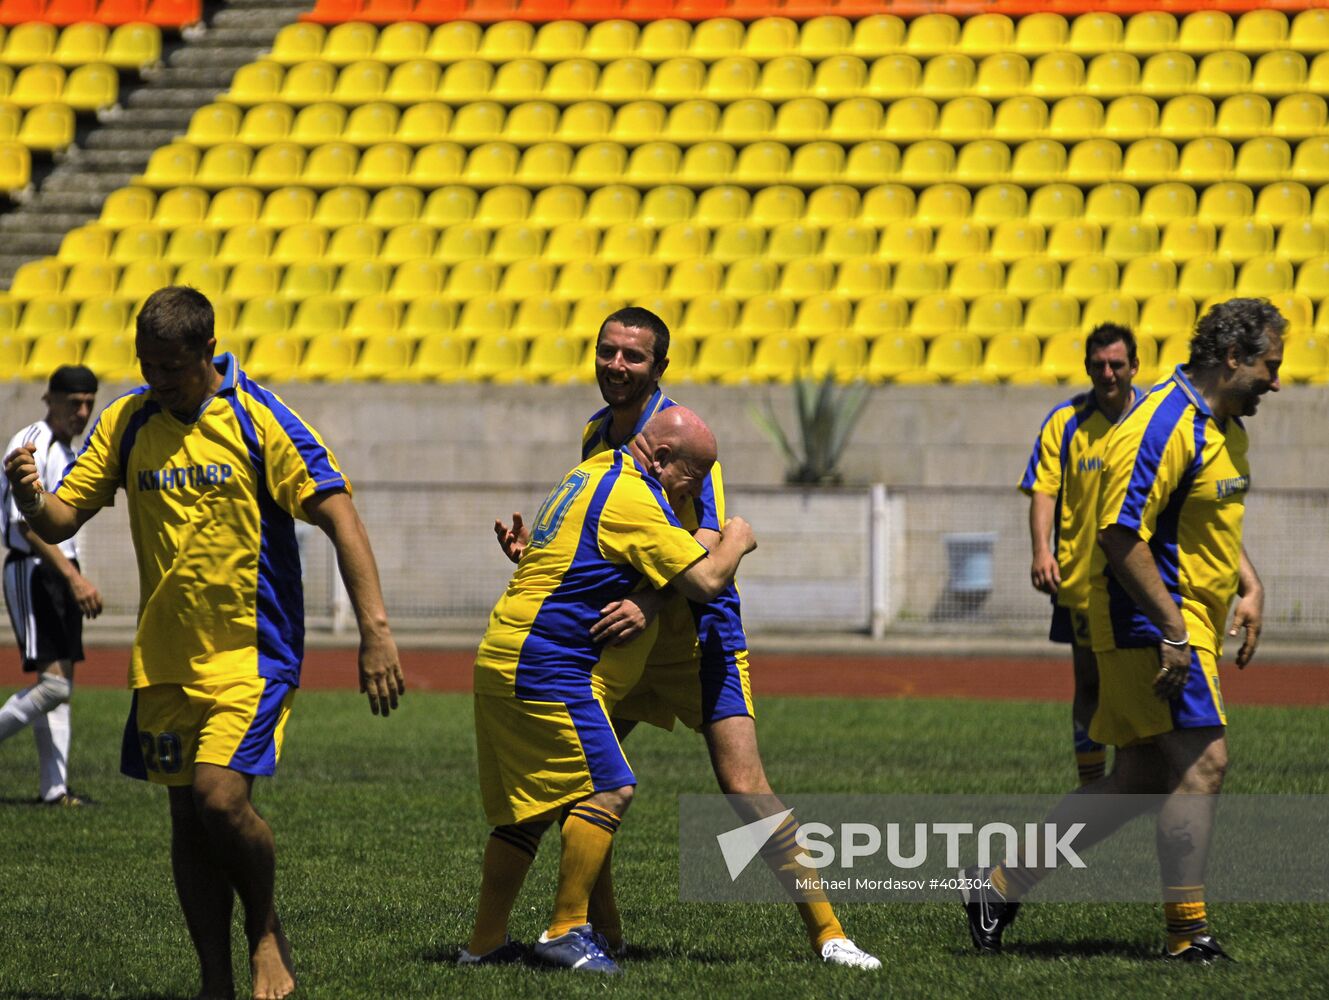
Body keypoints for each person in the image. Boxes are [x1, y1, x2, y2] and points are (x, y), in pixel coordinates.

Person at [4, 286, 405, 1000]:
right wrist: (32, 496)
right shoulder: (130, 420)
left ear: (204, 353)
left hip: (251, 654)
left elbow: (339, 514)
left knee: (220, 802)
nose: (155, 380)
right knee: (188, 823)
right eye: (145, 364)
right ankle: (213, 983)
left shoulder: (257, 418)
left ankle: (264, 933)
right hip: (163, 660)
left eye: (170, 368)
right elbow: (63, 519)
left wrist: (374, 633)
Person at [496, 307, 880, 969]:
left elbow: (706, 538)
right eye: (607, 350)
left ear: (658, 368)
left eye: (632, 356)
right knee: (585, 780)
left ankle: (829, 934)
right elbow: (606, 520)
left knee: (743, 783)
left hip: (696, 632)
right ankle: (595, 933)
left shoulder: (680, 434)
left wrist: (648, 600)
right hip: (619, 636)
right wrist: (543, 553)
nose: (616, 365)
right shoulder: (595, 432)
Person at [962, 298, 1283, 962]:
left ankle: (996, 888)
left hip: (1175, 618)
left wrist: (1248, 583)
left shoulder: (1220, 424)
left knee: (1136, 778)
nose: (1275, 381)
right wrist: (1170, 627)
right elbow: (1117, 534)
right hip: (1153, 621)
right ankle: (1185, 933)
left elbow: (1203, 517)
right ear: (1233, 358)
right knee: (1203, 762)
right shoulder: (1163, 423)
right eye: (1269, 366)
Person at [466, 406, 758, 975]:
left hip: (503, 657)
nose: (697, 491)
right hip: (552, 666)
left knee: (525, 814)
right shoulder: (633, 496)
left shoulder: (588, 472)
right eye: (694, 477)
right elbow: (704, 581)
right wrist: (737, 540)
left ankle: (483, 945)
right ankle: (567, 931)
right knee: (611, 788)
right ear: (663, 458)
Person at [1020, 324, 1142, 786]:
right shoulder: (1065, 422)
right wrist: (1040, 551)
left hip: (1142, 580)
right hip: (1082, 582)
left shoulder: (1152, 419)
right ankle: (1091, 786)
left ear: (1135, 365)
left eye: (1116, 364)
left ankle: (1134, 779)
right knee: (1090, 684)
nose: (1107, 373)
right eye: (1098, 365)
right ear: (1087, 366)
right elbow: (1044, 489)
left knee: (1137, 688)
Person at [0, 365, 102, 806]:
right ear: (50, 400)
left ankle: (54, 790)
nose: (81, 411)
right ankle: (53, 788)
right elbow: (25, 527)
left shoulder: (66, 449)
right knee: (54, 687)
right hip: (36, 570)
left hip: (57, 571)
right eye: (73, 402)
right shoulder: (34, 441)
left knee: (60, 690)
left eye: (88, 402)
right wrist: (74, 577)